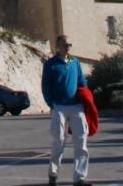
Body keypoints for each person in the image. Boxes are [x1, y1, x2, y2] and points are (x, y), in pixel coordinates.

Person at [41, 35, 92, 186]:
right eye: (65, 45)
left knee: (81, 141)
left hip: (76, 106)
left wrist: (86, 99)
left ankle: (80, 178)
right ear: (58, 46)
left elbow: (82, 81)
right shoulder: (51, 64)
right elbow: (46, 86)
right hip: (59, 107)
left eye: (70, 44)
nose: (68, 47)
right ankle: (53, 173)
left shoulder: (75, 62)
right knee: (59, 141)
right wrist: (52, 104)